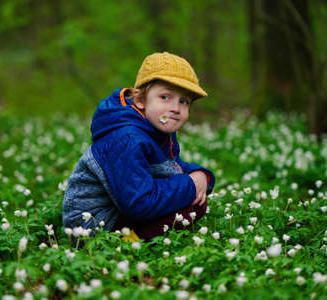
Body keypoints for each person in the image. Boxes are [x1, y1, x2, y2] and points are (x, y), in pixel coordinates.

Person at [62, 52, 215, 242]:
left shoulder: (158, 130)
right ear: (140, 100)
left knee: (195, 203)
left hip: (123, 207)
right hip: (93, 226)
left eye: (183, 101)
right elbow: (138, 203)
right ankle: (125, 246)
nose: (175, 108)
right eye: (165, 97)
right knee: (186, 208)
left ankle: (137, 239)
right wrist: (189, 185)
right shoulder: (127, 139)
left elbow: (169, 167)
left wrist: (200, 175)